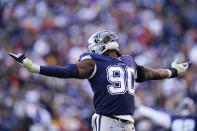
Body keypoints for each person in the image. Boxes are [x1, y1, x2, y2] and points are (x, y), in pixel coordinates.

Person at [9, 30, 191, 131]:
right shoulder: (128, 62)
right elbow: (153, 73)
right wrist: (173, 71)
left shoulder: (97, 61)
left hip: (121, 122)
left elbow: (66, 71)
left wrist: (36, 68)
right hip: (110, 121)